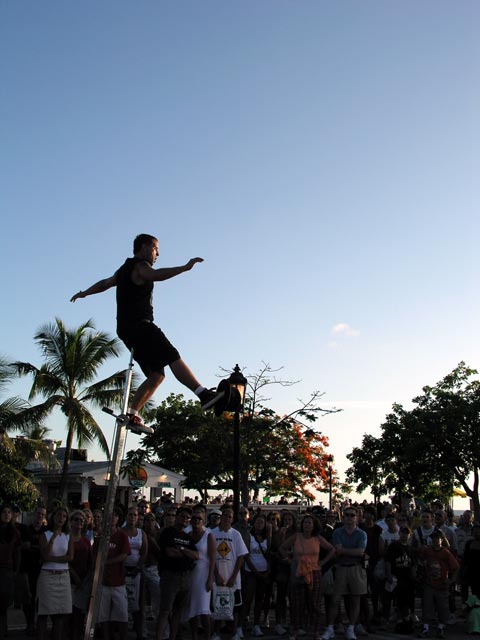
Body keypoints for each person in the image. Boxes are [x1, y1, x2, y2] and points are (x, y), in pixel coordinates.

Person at [70, 233, 223, 434]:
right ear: (143, 247)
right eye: (155, 248)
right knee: (172, 356)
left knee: (156, 374)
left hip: (125, 329)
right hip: (140, 325)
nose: (158, 253)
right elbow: (155, 275)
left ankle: (131, 413)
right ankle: (204, 395)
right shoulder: (140, 266)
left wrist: (84, 293)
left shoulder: (123, 270)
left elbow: (104, 283)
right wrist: (185, 268)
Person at [280, 514, 334, 640]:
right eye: (305, 522)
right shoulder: (296, 537)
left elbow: (331, 549)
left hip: (314, 572)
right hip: (299, 572)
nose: (307, 525)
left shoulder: (317, 538)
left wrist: (322, 562)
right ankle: (295, 629)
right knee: (296, 603)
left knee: (314, 603)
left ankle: (315, 630)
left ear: (314, 525)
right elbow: (282, 548)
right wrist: (289, 560)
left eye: (309, 523)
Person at [321, 507, 368, 640]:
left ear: (357, 518)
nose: (349, 517)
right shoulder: (337, 532)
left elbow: (360, 552)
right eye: (346, 515)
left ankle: (351, 627)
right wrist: (352, 551)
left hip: (356, 568)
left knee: (355, 599)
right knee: (335, 599)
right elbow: (337, 551)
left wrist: (346, 551)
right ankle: (330, 627)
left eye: (352, 515)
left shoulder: (362, 534)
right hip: (340, 568)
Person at [156, 506, 199, 640]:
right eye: (182, 516)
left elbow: (196, 555)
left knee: (178, 611)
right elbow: (169, 552)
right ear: (177, 517)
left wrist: (181, 549)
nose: (185, 519)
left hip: (185, 577)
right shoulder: (168, 532)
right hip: (170, 575)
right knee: (165, 610)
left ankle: (172, 637)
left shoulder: (188, 538)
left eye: (188, 517)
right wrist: (185, 552)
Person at [211, 507, 249, 640]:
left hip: (233, 579)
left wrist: (233, 577)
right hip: (217, 578)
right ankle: (215, 633)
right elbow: (210, 557)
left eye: (230, 516)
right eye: (225, 515)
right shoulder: (212, 533)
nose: (227, 518)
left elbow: (240, 556)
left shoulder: (236, 534)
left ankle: (234, 633)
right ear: (221, 517)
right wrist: (216, 575)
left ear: (232, 519)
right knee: (216, 606)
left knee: (235, 608)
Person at [37, 507, 75, 640]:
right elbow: (45, 554)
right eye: (59, 515)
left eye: (64, 516)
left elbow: (70, 556)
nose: (61, 518)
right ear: (53, 517)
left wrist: (53, 559)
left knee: (60, 614)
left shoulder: (68, 536)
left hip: (63, 576)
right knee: (44, 612)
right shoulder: (45, 535)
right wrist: (53, 537)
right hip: (47, 575)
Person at [416, 529, 459, 639]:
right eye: (434, 538)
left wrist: (451, 580)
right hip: (429, 583)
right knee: (427, 606)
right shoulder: (427, 551)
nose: (435, 540)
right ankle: (425, 628)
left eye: (438, 538)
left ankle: (440, 627)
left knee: (442, 607)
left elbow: (456, 567)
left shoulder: (445, 552)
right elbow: (419, 559)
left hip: (442, 585)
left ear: (441, 539)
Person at [96, 508, 131, 640]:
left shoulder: (122, 535)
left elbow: (124, 555)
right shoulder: (100, 536)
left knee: (122, 614)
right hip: (103, 581)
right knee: (103, 615)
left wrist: (107, 562)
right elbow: (95, 555)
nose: (111, 519)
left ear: (117, 519)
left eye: (114, 516)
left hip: (118, 582)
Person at [186, 509, 216, 640]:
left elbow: (213, 559)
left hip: (204, 574)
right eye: (194, 519)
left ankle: (207, 636)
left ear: (203, 521)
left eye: (199, 519)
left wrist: (210, 578)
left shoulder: (208, 535)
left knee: (204, 609)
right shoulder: (187, 534)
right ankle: (193, 636)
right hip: (190, 574)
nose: (196, 521)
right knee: (192, 608)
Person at [123, 507, 148, 640]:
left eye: (135, 515)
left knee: (138, 605)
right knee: (122, 604)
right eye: (130, 514)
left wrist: (138, 568)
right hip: (122, 570)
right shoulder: (121, 532)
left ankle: (140, 633)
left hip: (137, 571)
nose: (132, 517)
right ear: (126, 516)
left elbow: (144, 552)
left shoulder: (141, 533)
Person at [68, 510, 93, 640]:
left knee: (79, 616)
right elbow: (66, 561)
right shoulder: (66, 539)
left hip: (83, 583)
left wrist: (84, 580)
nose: (79, 522)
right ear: (71, 522)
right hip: (68, 581)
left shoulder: (86, 541)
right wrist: (75, 578)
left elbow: (90, 562)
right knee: (68, 616)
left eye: (81, 520)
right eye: (76, 519)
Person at [0, 505, 21, 640]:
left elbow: (17, 553)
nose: (7, 514)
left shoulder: (15, 532)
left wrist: (16, 571)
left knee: (3, 603)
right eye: (4, 512)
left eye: (9, 512)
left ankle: (3, 630)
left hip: (7, 571)